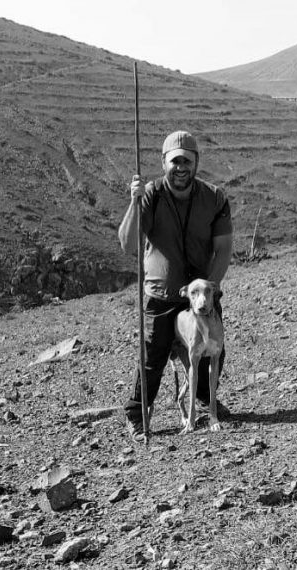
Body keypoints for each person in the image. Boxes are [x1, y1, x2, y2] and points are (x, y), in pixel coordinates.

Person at [118, 130, 234, 442]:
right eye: (175, 161)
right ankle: (137, 413)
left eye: (187, 161)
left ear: (196, 162)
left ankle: (204, 400)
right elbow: (128, 244)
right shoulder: (150, 195)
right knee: (153, 358)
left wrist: (211, 290)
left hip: (200, 296)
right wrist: (134, 202)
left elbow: (223, 248)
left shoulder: (214, 198)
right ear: (164, 163)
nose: (181, 167)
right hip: (161, 295)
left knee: (213, 352)